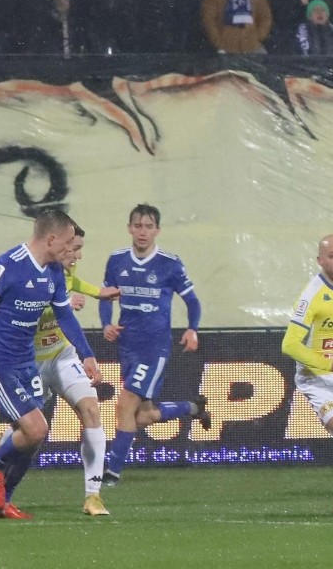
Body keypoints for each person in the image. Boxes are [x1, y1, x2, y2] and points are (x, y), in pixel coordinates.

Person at [0, 209, 102, 519]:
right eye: (70, 241)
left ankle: (1, 503)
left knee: (33, 438)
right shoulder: (10, 265)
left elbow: (64, 316)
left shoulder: (54, 273)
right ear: (51, 238)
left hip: (25, 362)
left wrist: (86, 353)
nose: (72, 249)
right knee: (35, 428)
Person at [0, 222, 120, 516]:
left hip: (61, 355)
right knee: (26, 434)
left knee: (91, 408)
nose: (76, 255)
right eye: (73, 247)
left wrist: (98, 293)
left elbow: (73, 286)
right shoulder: (28, 271)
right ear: (58, 243)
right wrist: (60, 305)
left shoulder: (65, 271)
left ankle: (93, 496)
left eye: (78, 249)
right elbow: (26, 308)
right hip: (30, 361)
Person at [100, 203, 210, 486]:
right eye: (137, 226)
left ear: (157, 230)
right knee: (143, 416)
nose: (142, 232)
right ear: (129, 228)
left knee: (124, 406)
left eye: (148, 226)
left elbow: (192, 300)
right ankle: (193, 408)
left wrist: (192, 329)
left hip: (154, 347)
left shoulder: (169, 264)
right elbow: (105, 296)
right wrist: (106, 324)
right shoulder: (117, 260)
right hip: (127, 345)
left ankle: (110, 473)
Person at [281, 235, 333, 480]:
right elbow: (289, 345)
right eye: (332, 256)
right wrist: (331, 364)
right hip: (317, 379)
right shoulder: (311, 296)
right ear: (320, 260)